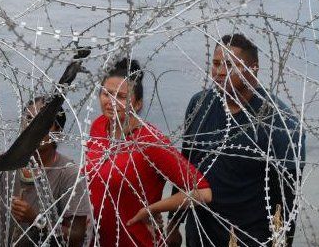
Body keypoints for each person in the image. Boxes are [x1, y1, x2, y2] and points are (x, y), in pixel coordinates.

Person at [176, 33, 305, 247]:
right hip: (199, 234)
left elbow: (287, 198)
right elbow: (184, 167)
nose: (220, 72)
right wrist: (173, 224)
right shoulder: (200, 104)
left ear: (253, 69)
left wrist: (281, 242)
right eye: (216, 64)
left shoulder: (279, 122)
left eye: (229, 65)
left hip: (249, 237)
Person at [84, 58, 212, 247]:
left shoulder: (150, 141)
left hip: (137, 239)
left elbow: (203, 192)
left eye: (120, 97)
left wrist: (151, 209)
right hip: (98, 238)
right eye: (106, 94)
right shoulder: (98, 126)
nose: (111, 102)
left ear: (137, 104)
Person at [0, 97, 91, 247]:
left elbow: (77, 237)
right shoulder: (4, 165)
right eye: (28, 119)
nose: (33, 127)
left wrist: (37, 220)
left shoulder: (68, 174)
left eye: (44, 122)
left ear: (58, 132)